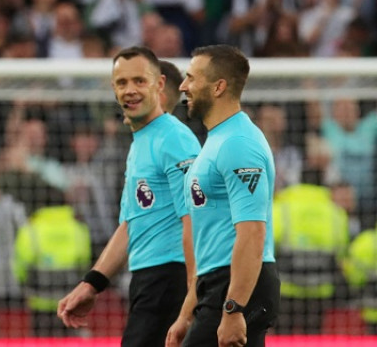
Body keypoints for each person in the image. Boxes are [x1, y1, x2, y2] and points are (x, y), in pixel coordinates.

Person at [57, 46, 200, 347]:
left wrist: (193, 292)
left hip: (172, 279)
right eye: (122, 83)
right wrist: (92, 283)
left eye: (139, 81)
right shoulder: (140, 143)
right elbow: (130, 225)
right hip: (147, 280)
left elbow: (196, 219)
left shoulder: (174, 138)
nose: (130, 90)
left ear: (159, 85)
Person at [173, 45, 279, 347]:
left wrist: (234, 309)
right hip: (218, 285)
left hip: (237, 288)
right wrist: (187, 312)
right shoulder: (217, 140)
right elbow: (210, 242)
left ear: (218, 87)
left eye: (191, 78)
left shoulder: (238, 143)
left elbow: (253, 232)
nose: (183, 87)